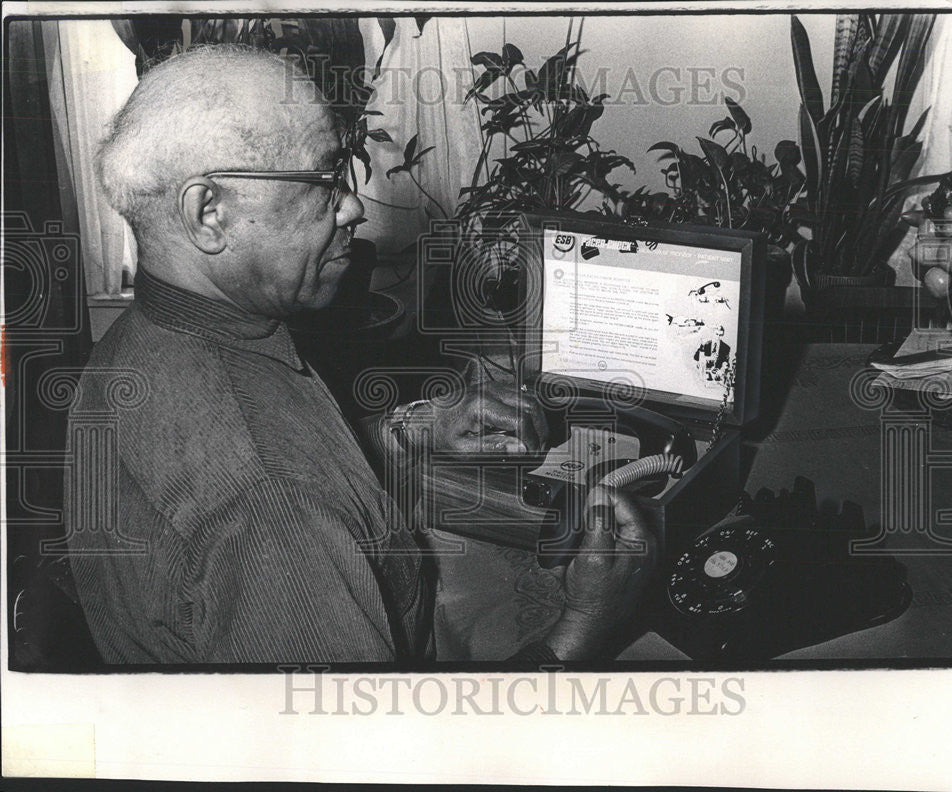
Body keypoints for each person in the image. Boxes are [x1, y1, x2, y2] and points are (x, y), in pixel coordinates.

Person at [64, 45, 657, 665]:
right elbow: (375, 756)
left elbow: (293, 448)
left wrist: (412, 428)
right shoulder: (276, 509)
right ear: (208, 212)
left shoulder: (134, 346)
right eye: (322, 180)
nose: (351, 206)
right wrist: (587, 624)